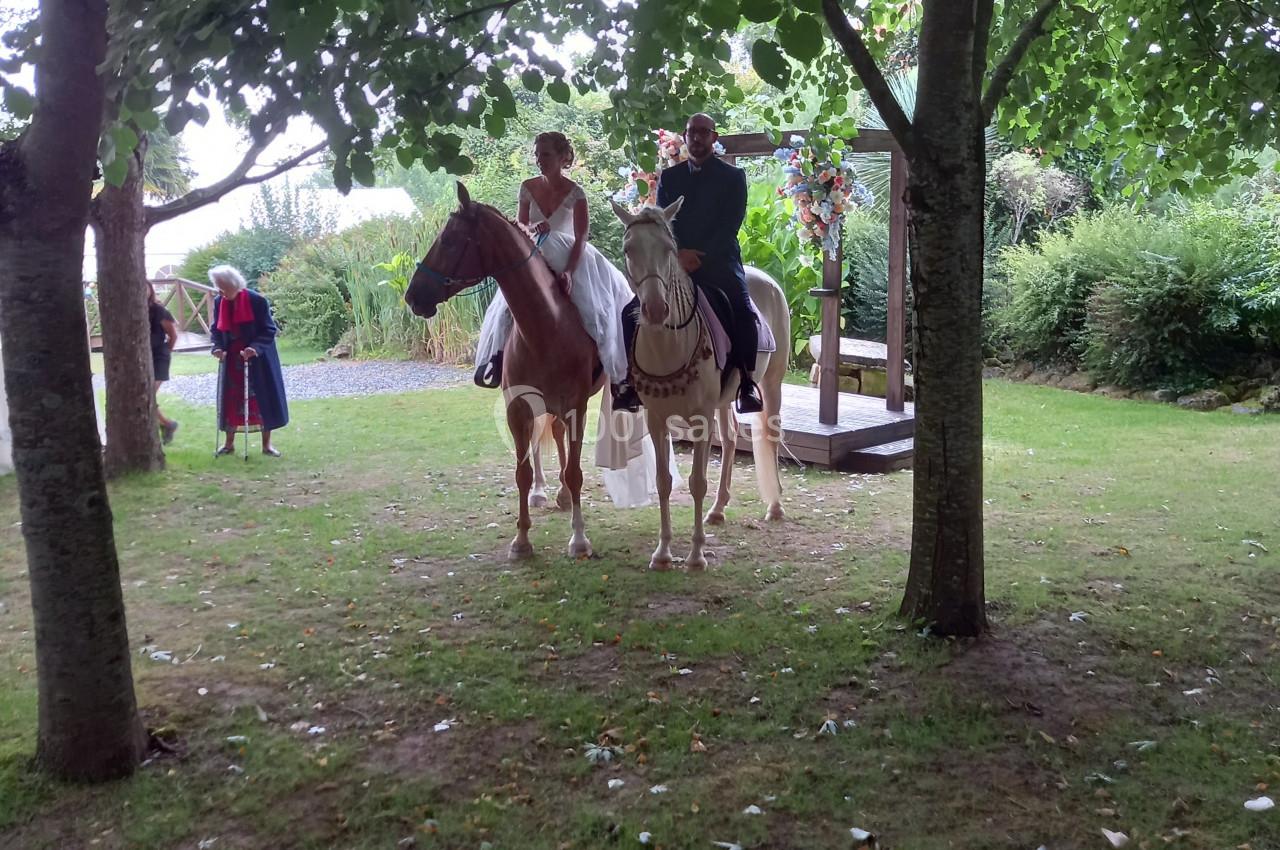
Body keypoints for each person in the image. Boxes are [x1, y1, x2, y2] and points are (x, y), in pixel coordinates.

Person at [616, 113, 763, 415]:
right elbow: (663, 223)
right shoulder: (670, 177)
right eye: (691, 132)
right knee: (628, 313)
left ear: (714, 137)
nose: (696, 137)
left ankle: (746, 382)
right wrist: (678, 255)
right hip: (676, 263)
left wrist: (699, 255)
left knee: (743, 311)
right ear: (684, 136)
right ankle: (630, 381)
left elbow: (730, 225)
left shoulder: (733, 177)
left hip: (719, 261)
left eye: (703, 132)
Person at [473, 132, 632, 401]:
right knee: (506, 308)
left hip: (570, 258)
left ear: (562, 157)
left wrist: (569, 271)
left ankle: (610, 372)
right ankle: (496, 361)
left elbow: (581, 237)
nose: (539, 160)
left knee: (595, 311)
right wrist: (533, 227)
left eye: (545, 154)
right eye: (537, 155)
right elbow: (520, 228)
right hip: (533, 255)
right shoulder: (527, 187)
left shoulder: (576, 193)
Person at [208, 265, 288, 456]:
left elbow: (269, 329)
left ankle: (267, 445)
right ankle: (228, 444)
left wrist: (254, 348)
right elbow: (216, 329)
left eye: (222, 287)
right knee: (231, 400)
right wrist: (217, 347)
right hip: (232, 359)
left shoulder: (257, 301)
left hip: (258, 358)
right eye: (217, 287)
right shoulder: (220, 301)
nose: (219, 292)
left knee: (262, 400)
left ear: (234, 285)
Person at [148, 282, 180, 444]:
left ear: (150, 290)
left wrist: (166, 351)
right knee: (146, 396)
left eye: (145, 287)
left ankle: (167, 425)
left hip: (159, 357)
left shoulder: (159, 310)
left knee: (147, 395)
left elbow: (173, 335)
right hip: (144, 358)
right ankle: (167, 424)